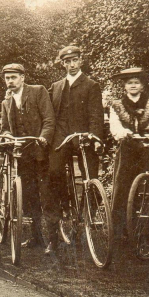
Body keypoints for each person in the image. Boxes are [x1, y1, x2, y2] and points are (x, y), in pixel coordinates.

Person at [48, 45, 104, 252]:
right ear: (62, 64)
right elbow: (50, 115)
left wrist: (96, 138)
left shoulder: (91, 85)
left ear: (81, 61)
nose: (71, 65)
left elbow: (96, 115)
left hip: (84, 137)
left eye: (75, 60)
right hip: (61, 138)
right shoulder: (56, 86)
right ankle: (65, 204)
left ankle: (89, 214)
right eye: (67, 61)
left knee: (91, 177)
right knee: (53, 172)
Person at [0, 63, 57, 254]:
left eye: (13, 77)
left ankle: (53, 240)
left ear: (23, 77)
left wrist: (44, 137)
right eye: (7, 78)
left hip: (41, 152)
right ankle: (36, 237)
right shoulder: (6, 103)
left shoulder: (38, 91)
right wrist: (7, 136)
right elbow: (5, 127)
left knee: (47, 195)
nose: (10, 81)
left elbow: (49, 120)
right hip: (22, 155)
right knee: (30, 196)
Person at [109, 67, 149, 244]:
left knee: (147, 186)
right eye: (129, 83)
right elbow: (115, 125)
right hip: (127, 148)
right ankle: (120, 230)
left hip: (146, 148)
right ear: (124, 87)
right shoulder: (117, 105)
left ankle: (146, 230)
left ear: (142, 85)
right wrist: (122, 132)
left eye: (136, 82)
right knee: (122, 186)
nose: (133, 86)